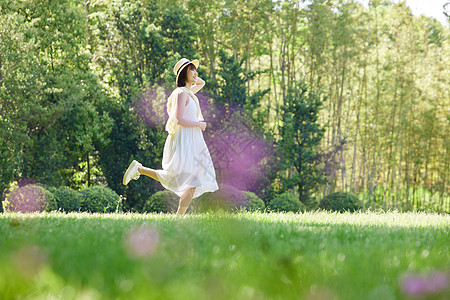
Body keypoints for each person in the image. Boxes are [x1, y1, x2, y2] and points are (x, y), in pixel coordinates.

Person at [122, 58, 219, 215]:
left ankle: (178, 218)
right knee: (180, 177)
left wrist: (192, 73)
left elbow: (202, 83)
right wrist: (199, 124)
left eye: (196, 70)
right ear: (183, 74)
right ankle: (139, 169)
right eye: (191, 70)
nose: (196, 73)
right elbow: (179, 119)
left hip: (192, 139)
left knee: (193, 182)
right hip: (185, 139)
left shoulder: (188, 92)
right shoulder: (181, 93)